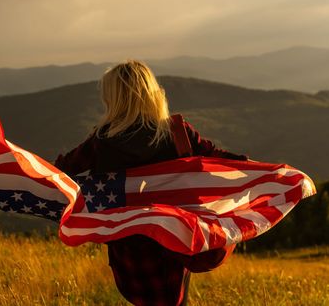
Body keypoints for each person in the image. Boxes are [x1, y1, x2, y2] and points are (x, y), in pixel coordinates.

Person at [55, 60, 248, 306]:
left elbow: (61, 172)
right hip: (177, 241)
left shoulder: (101, 142)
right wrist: (268, 173)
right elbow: (219, 158)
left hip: (130, 251)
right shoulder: (177, 132)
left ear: (113, 99)